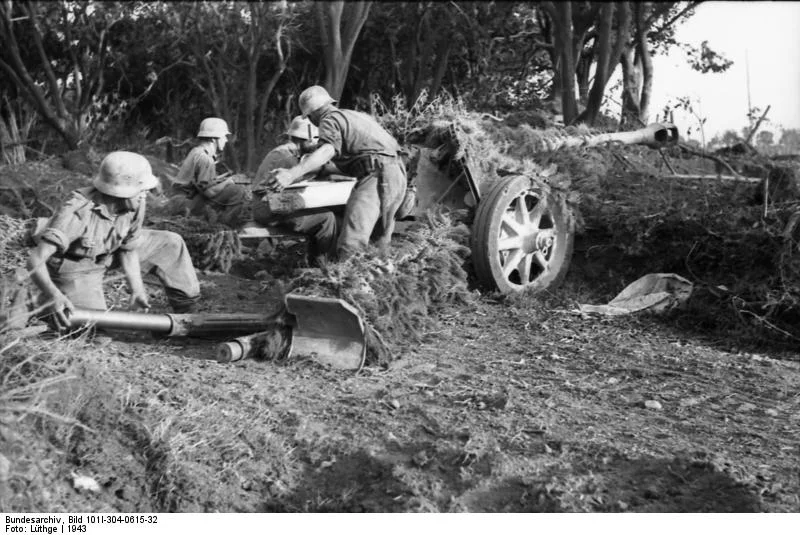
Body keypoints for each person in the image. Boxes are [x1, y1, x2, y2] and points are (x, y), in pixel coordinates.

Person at [27, 151, 201, 332]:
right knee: (90, 328)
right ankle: (43, 302)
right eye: (141, 191)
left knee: (170, 243)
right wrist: (54, 295)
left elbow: (129, 247)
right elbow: (35, 260)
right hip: (77, 267)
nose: (145, 195)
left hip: (110, 253)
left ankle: (187, 314)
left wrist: (137, 290)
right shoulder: (78, 211)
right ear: (122, 192)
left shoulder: (135, 202)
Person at [268, 85, 408, 258]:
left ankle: (342, 282)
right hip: (397, 174)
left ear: (312, 114)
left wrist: (291, 174)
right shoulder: (355, 116)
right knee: (378, 241)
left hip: (377, 175)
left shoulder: (329, 119)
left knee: (351, 242)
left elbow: (327, 151)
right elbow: (361, 155)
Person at [251, 115, 340, 259]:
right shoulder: (286, 157)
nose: (318, 145)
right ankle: (325, 264)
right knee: (326, 218)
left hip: (272, 205)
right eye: (316, 139)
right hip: (269, 208)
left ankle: (315, 261)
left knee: (318, 214)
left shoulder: (286, 152)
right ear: (307, 138)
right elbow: (306, 173)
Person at [175, 117, 247, 227]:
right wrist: (228, 181)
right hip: (187, 205)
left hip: (180, 201)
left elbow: (200, 184)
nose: (226, 140)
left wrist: (220, 181)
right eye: (224, 136)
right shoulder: (205, 159)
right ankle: (224, 228)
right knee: (237, 191)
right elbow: (209, 192)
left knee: (227, 188)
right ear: (214, 139)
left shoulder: (196, 151)